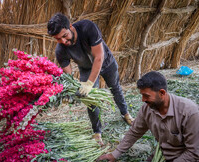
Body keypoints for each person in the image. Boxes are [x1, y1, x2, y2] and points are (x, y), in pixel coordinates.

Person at [98, 71, 199, 162]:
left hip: (193, 157)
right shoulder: (147, 109)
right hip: (167, 154)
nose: (143, 99)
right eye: (142, 95)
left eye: (146, 96)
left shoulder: (188, 111)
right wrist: (115, 154)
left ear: (162, 93)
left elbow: (193, 152)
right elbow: (134, 132)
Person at [47, 13, 134, 145]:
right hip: (86, 69)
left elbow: (99, 58)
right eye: (58, 39)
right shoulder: (60, 50)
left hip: (106, 62)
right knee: (90, 101)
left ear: (70, 26)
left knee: (115, 88)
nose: (63, 41)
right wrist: (69, 91)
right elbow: (68, 77)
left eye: (64, 36)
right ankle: (97, 131)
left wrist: (89, 83)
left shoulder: (88, 27)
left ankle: (125, 113)